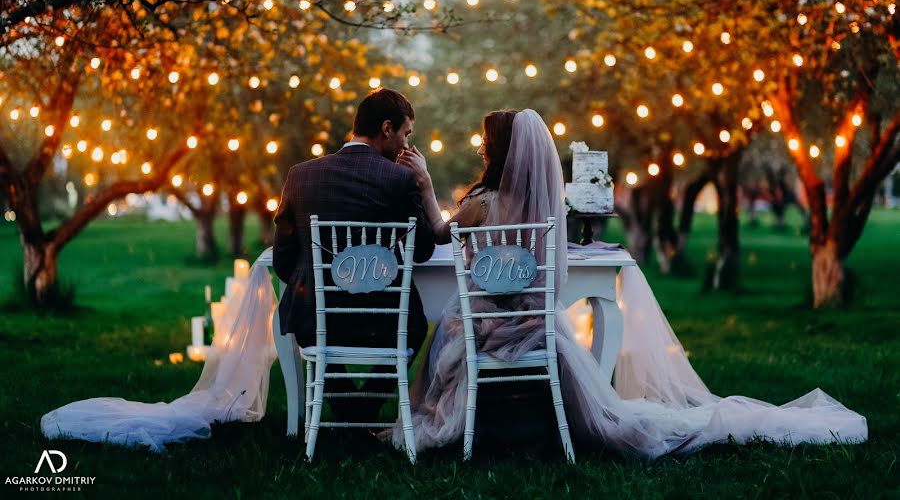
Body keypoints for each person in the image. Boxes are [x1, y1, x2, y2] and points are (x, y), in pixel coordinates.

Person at [394, 108, 867, 460]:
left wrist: (425, 183)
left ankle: (446, 425)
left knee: (448, 334)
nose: (479, 146)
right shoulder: (542, 208)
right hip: (535, 325)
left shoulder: (481, 204)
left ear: (497, 150)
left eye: (484, 141)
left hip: (490, 327)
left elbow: (439, 233)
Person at [273, 87, 436, 424]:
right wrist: (423, 185)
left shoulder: (299, 175)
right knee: (416, 326)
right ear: (387, 128)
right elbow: (422, 251)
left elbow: (283, 261)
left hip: (315, 316)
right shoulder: (401, 179)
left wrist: (325, 285)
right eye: (406, 134)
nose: (406, 145)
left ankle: (347, 412)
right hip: (380, 319)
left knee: (306, 317)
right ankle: (363, 410)